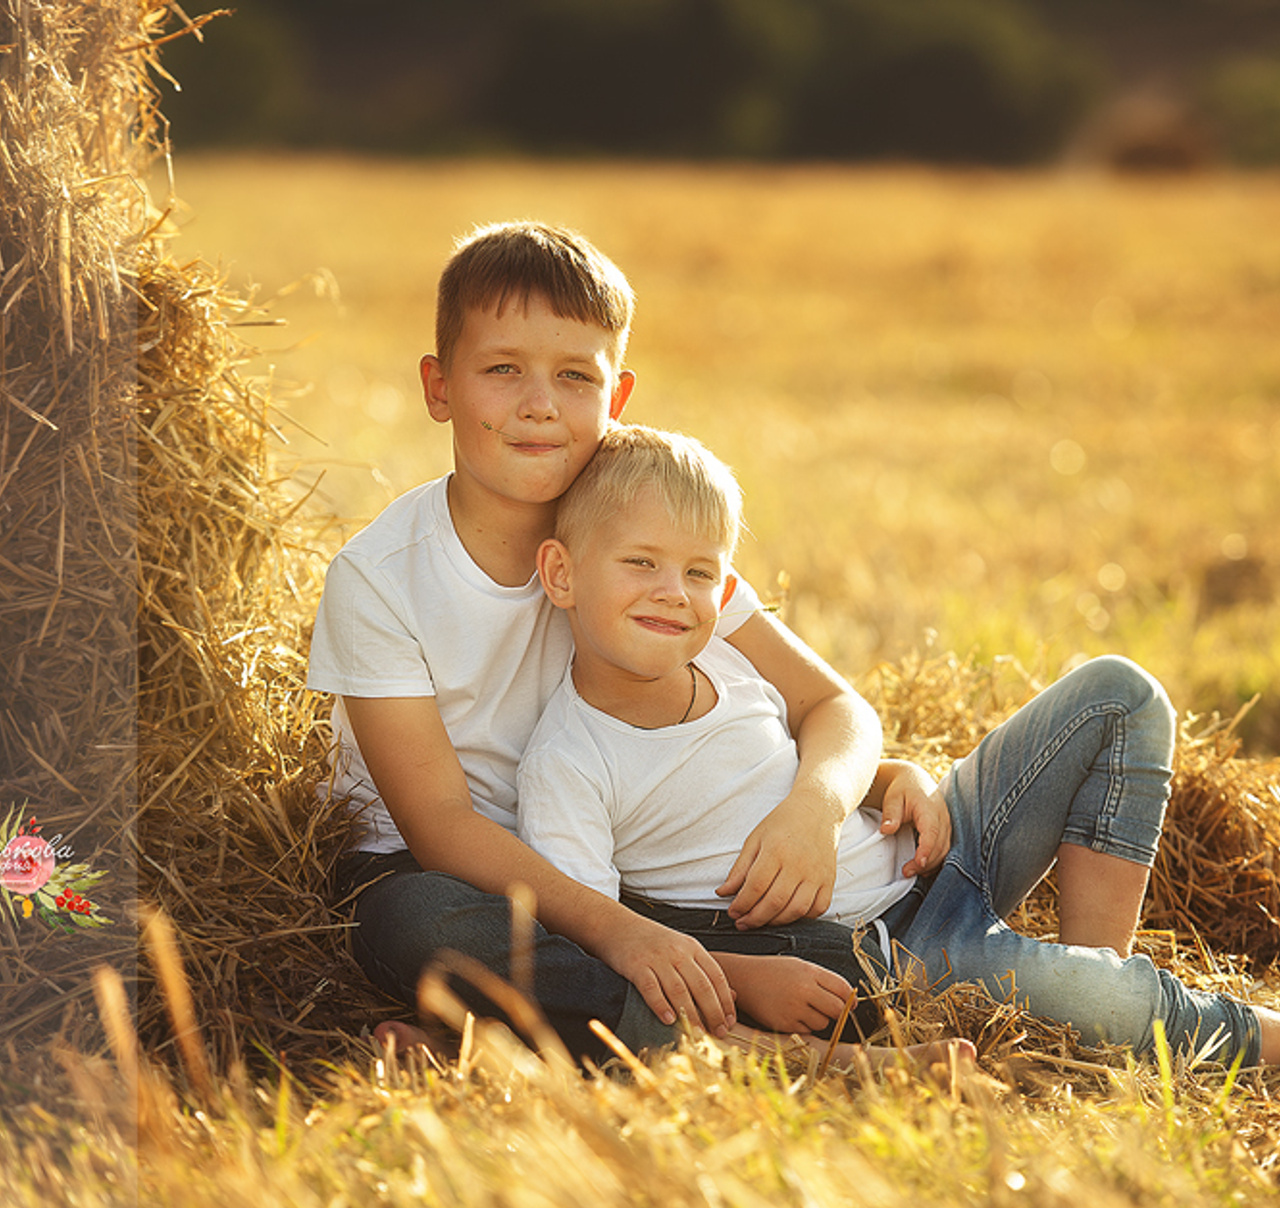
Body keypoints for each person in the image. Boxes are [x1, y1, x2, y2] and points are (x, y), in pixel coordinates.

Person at [307, 221, 914, 1065]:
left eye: (573, 377)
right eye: (502, 369)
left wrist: (835, 796)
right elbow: (443, 822)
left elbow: (826, 701)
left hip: (616, 860)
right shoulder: (378, 578)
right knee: (413, 921)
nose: (538, 404)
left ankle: (509, 1031)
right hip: (451, 871)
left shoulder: (635, 524)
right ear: (439, 387)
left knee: (816, 949)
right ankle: (761, 1047)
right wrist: (621, 934)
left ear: (616, 398)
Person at [518, 424, 1280, 1068]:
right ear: (562, 574)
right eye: (640, 563)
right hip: (900, 955)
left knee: (1121, 694)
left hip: (935, 847)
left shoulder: (724, 651)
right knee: (1112, 1002)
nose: (673, 592)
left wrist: (863, 787)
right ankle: (1168, 1018)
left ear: (726, 589)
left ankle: (1089, 979)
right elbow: (599, 947)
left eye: (699, 573)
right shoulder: (571, 763)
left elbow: (830, 718)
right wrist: (743, 977)